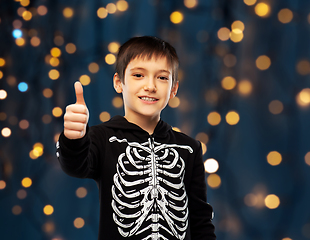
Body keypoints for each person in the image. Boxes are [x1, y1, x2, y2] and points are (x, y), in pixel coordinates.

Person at [56, 36, 216, 240]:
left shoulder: (189, 148)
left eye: (162, 77)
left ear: (174, 89)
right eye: (139, 75)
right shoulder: (102, 138)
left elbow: (200, 219)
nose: (150, 86)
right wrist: (73, 138)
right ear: (118, 82)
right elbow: (75, 165)